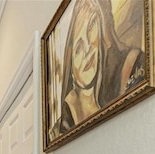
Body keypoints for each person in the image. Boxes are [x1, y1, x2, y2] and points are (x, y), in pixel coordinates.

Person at [59, 0, 145, 133]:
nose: (87, 49)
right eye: (78, 49)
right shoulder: (66, 120)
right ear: (70, 68)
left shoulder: (133, 67)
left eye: (91, 26)